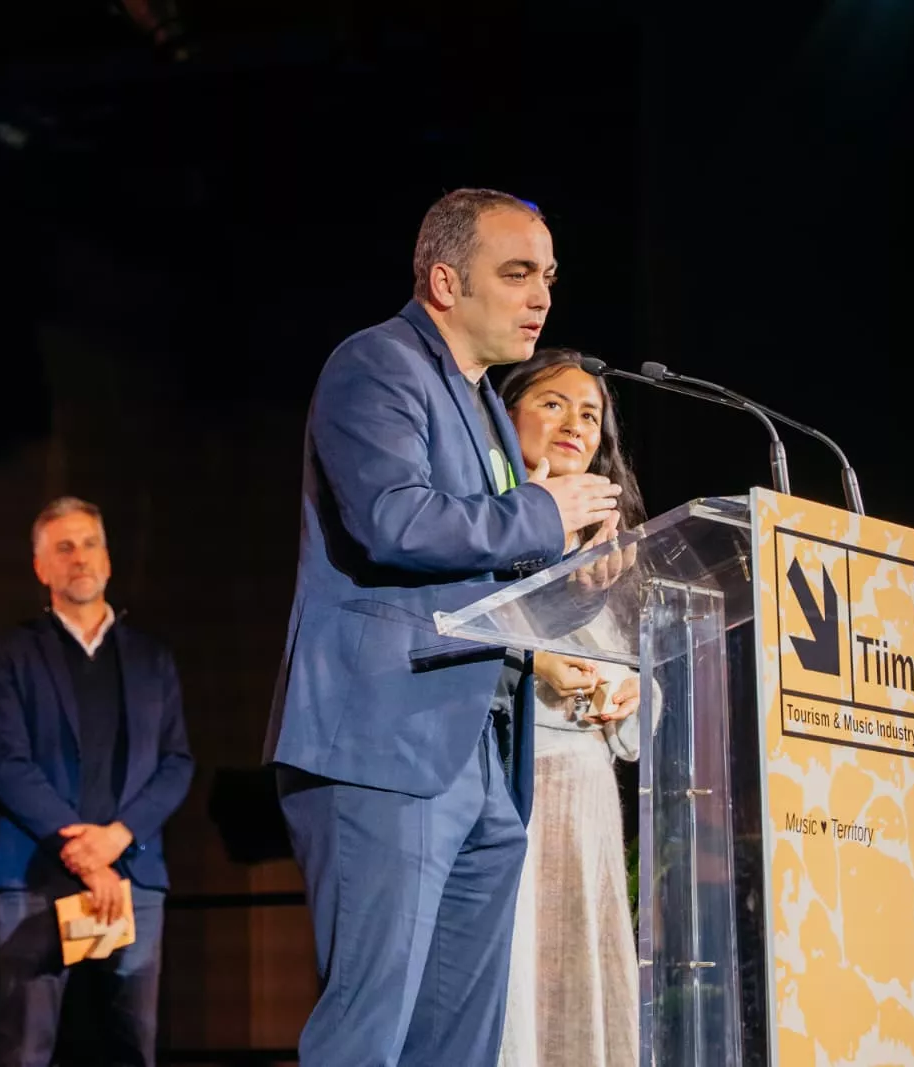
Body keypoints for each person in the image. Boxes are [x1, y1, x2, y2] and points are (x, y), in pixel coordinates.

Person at [262, 188, 624, 1067]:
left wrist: (573, 573)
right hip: (388, 745)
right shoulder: (376, 365)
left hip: (486, 757)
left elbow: (486, 559)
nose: (541, 296)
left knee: (455, 1045)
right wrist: (541, 511)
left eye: (547, 275)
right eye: (516, 274)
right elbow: (395, 520)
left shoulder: (488, 403)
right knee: (368, 1033)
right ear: (444, 280)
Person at [0, 496, 195, 1067]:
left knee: (131, 1047)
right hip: (38, 873)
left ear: (108, 558)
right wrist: (84, 852)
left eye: (90, 543)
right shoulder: (13, 653)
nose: (80, 559)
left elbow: (178, 763)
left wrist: (119, 837)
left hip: (134, 876)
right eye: (64, 548)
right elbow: (7, 763)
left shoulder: (152, 658)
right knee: (24, 1044)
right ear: (41, 568)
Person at [495, 348, 647, 1067]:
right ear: (508, 411)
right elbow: (450, 635)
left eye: (591, 414)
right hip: (509, 793)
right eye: (554, 403)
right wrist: (535, 666)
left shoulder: (615, 546)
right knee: (514, 996)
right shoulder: (482, 523)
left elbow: (643, 700)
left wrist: (631, 692)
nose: (575, 424)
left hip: (587, 799)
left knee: (581, 992)